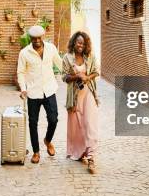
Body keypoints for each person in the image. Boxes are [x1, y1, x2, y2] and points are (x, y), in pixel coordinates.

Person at [17, 25, 63, 164]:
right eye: (34, 38)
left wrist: (70, 76)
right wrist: (23, 88)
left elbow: (60, 64)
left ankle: (47, 141)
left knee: (53, 119)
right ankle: (36, 152)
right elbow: (21, 72)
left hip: (49, 90)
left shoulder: (51, 48)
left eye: (39, 38)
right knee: (33, 123)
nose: (37, 41)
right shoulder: (24, 53)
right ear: (30, 38)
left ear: (43, 36)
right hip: (33, 92)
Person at [62, 31, 100, 174]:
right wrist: (76, 75)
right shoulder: (67, 57)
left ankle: (91, 158)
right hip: (74, 96)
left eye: (83, 44)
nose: (81, 45)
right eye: (79, 42)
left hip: (89, 93)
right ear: (74, 42)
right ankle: (79, 152)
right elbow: (64, 77)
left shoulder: (89, 56)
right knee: (77, 126)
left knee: (90, 124)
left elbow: (97, 72)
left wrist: (87, 77)